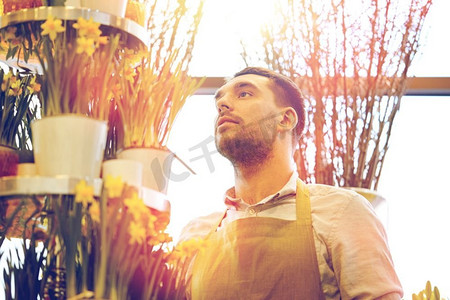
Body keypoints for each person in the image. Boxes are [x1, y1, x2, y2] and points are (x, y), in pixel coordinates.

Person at [179, 67, 403, 299]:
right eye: (219, 100)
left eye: (244, 94)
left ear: (285, 119)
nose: (223, 105)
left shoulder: (342, 212)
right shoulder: (195, 234)